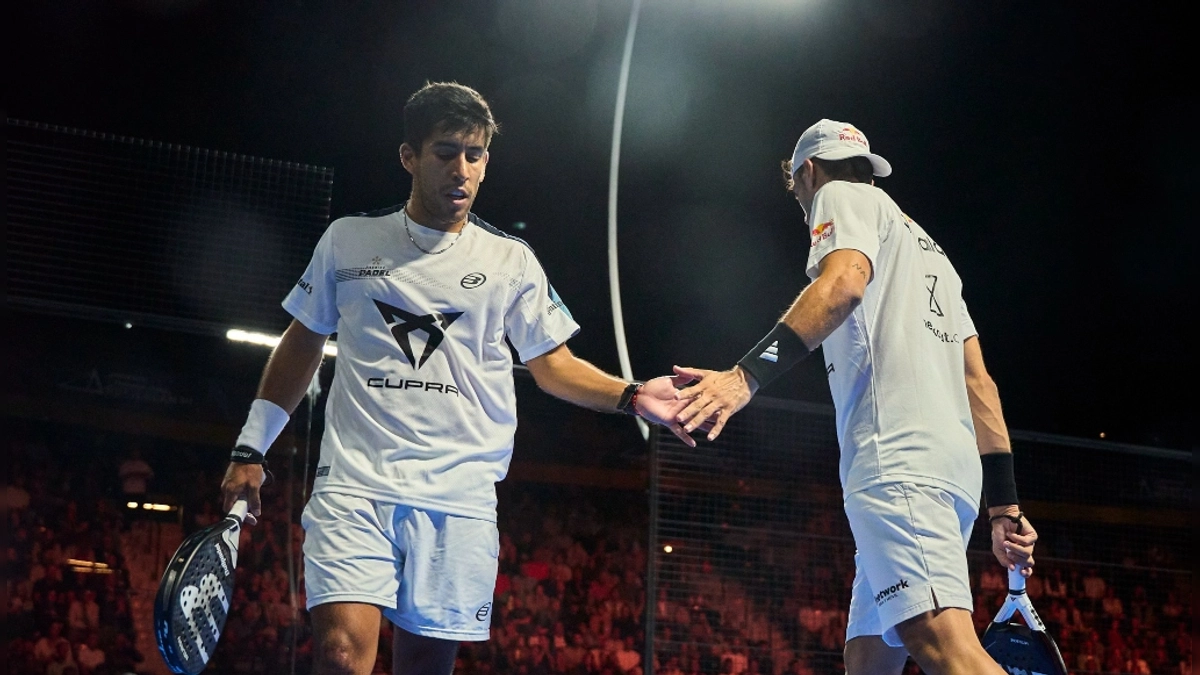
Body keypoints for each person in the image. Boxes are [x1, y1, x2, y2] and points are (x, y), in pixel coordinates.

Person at [219, 81, 693, 675]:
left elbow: (554, 366)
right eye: (445, 153)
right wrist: (249, 446)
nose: (461, 170)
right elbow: (303, 341)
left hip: (459, 498)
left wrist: (630, 395)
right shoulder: (348, 239)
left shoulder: (510, 260)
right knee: (339, 657)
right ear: (409, 157)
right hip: (353, 487)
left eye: (476, 156)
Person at [672, 119, 1038, 675]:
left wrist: (743, 377)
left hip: (899, 463)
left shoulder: (836, 197)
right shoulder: (933, 254)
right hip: (950, 475)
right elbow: (979, 385)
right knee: (868, 663)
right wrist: (1004, 507)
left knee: (950, 653)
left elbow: (842, 286)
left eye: (798, 189)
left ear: (807, 173)